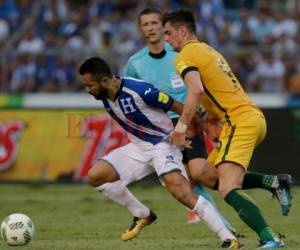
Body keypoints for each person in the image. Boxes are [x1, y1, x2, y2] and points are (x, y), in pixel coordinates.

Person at [78, 57, 241, 248]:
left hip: (162, 146)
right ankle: (143, 215)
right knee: (96, 176)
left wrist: (196, 127)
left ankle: (229, 238)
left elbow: (177, 106)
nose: (88, 90)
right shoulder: (105, 94)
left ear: (105, 81)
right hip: (138, 147)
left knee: (182, 194)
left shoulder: (140, 90)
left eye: (90, 86)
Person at [162, 8, 292, 249]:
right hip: (249, 118)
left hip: (239, 120)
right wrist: (212, 119)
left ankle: (269, 238)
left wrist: (180, 127)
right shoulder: (209, 50)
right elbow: (215, 92)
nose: (166, 39)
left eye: (168, 33)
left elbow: (197, 91)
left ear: (182, 31)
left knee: (227, 187)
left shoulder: (184, 56)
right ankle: (274, 182)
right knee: (205, 175)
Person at [123, 7, 234, 228]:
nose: (151, 28)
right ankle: (226, 229)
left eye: (155, 23)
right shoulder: (134, 64)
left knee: (199, 172)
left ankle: (239, 183)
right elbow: (132, 99)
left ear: (164, 28)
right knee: (188, 182)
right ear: (140, 30)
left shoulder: (180, 53)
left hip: (187, 121)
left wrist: (205, 115)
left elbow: (199, 87)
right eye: (145, 24)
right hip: (159, 129)